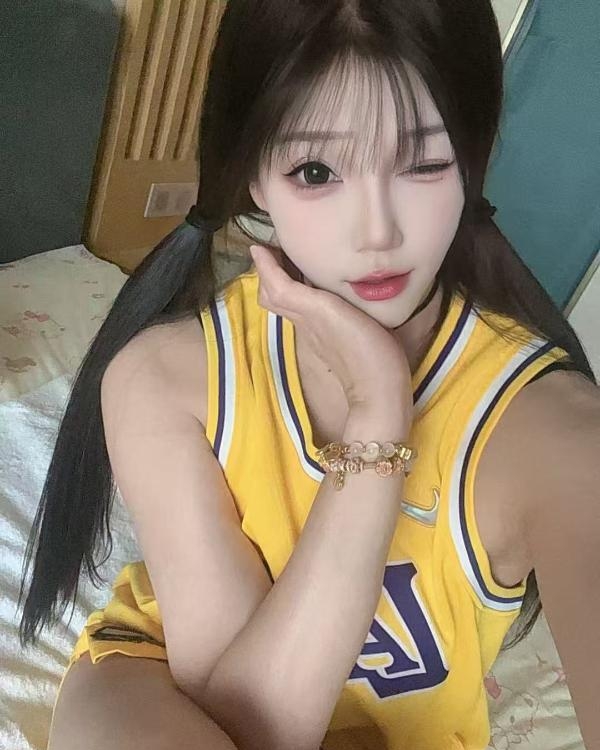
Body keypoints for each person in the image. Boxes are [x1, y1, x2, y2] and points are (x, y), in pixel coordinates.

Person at [17, 1, 600, 749]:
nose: (378, 230)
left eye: (425, 162)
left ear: (473, 158)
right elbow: (245, 726)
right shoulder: (163, 377)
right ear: (254, 178)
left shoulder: (549, 429)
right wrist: (377, 419)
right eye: (316, 171)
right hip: (166, 691)